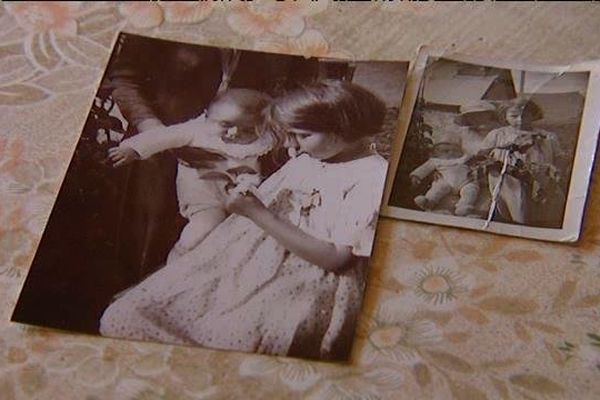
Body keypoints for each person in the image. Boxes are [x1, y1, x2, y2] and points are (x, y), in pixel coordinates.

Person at [99, 80, 388, 361]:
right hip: (248, 261)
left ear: (341, 129)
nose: (294, 146)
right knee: (132, 313)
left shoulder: (371, 178)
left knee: (238, 339)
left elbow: (336, 259)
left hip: (306, 279)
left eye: (302, 135)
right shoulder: (312, 158)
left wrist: (257, 213)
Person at [108, 89, 273, 262]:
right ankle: (176, 261)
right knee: (203, 228)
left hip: (244, 197)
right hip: (205, 199)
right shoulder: (197, 130)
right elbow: (163, 136)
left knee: (248, 235)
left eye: (247, 130)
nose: (234, 133)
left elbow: (283, 138)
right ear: (207, 116)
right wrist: (133, 149)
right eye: (225, 124)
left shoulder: (262, 139)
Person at [478, 97, 564, 225]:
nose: (520, 120)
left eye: (526, 115)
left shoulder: (547, 136)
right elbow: (482, 153)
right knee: (517, 202)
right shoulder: (498, 134)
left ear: (534, 115)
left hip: (539, 174)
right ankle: (517, 221)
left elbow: (559, 157)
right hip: (508, 177)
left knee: (542, 204)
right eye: (514, 116)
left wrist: (555, 170)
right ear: (505, 116)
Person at [410, 140, 479, 216]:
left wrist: (475, 170)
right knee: (437, 188)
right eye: (446, 151)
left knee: (471, 191)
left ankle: (464, 207)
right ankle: (429, 201)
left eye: (455, 150)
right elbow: (425, 168)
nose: (451, 152)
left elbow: (476, 163)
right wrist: (416, 176)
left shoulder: (465, 158)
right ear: (435, 155)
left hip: (465, 182)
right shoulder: (436, 161)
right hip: (445, 181)